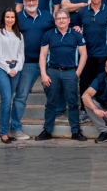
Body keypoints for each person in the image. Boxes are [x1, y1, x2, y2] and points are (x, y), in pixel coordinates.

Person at [7, 0, 54, 140]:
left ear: (38, 1)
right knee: (21, 96)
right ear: (23, 2)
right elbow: (6, 32)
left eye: (34, 0)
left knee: (54, 93)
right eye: (28, 1)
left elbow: (58, 31)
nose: (31, 3)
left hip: (48, 63)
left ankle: (50, 127)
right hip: (27, 63)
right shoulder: (18, 17)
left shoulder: (47, 16)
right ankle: (15, 128)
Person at [36, 9, 88, 142]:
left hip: (71, 72)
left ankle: (75, 131)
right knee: (51, 102)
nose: (61, 20)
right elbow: (42, 55)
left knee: (72, 103)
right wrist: (43, 73)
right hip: (52, 71)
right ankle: (47, 130)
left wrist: (78, 72)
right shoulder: (48, 34)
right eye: (58, 18)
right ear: (55, 21)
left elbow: (84, 54)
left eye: (64, 18)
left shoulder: (76, 34)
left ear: (69, 20)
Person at [78, 0, 107, 122]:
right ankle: (84, 110)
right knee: (85, 82)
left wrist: (105, 42)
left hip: (103, 54)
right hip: (86, 55)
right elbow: (76, 30)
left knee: (102, 82)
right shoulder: (82, 12)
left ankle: (102, 109)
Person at [0, 8, 24, 143]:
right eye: (7, 17)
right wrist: (7, 69)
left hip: (15, 69)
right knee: (6, 99)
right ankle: (3, 132)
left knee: (10, 99)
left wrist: (16, 68)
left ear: (15, 19)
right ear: (3, 18)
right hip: (1, 68)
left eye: (12, 17)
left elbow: (21, 54)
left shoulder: (19, 35)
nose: (10, 19)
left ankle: (9, 131)